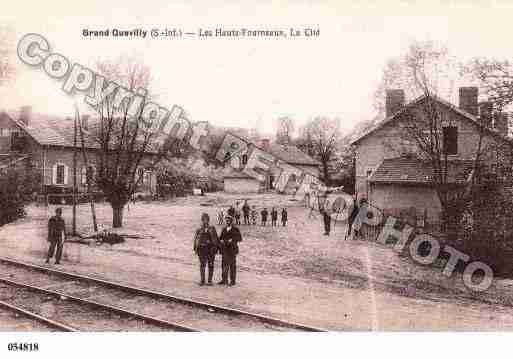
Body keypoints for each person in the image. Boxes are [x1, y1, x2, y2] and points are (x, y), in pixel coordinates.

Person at [193, 213, 219, 286]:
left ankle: (210, 281)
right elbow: (196, 239)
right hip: (202, 249)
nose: (205, 221)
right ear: (202, 220)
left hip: (210, 249)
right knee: (202, 265)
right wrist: (196, 248)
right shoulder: (199, 229)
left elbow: (216, 238)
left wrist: (215, 247)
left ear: (208, 220)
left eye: (206, 219)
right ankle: (202, 280)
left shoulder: (212, 228)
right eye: (204, 220)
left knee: (211, 264)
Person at [218, 215, 242, 286]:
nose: (227, 222)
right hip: (224, 249)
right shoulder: (224, 229)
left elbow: (240, 238)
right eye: (226, 220)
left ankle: (232, 281)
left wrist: (233, 240)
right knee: (224, 265)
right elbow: (220, 238)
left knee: (232, 266)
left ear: (232, 221)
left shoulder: (236, 229)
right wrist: (221, 240)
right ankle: (224, 280)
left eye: (229, 220)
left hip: (232, 250)